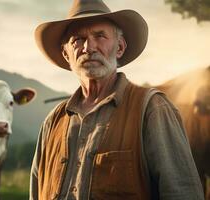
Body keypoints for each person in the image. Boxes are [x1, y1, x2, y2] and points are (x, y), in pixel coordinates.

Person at [30, 0, 204, 199]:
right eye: (78, 39)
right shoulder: (53, 122)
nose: (88, 47)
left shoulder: (151, 109)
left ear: (119, 47)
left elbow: (182, 192)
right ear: (66, 54)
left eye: (100, 36)